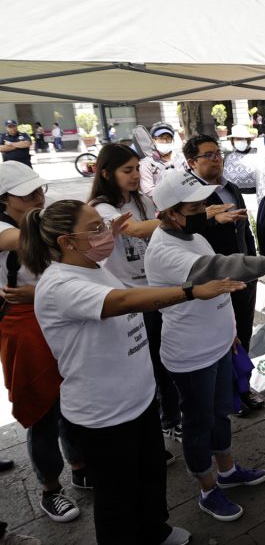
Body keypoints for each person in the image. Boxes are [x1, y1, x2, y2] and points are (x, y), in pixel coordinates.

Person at [23, 199, 229, 545]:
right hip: (104, 412)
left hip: (138, 398)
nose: (105, 232)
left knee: (150, 474)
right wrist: (190, 292)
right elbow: (120, 301)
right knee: (117, 496)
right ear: (66, 241)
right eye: (95, 228)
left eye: (104, 225)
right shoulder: (59, 285)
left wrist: (110, 234)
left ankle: (155, 530)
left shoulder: (91, 264)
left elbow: (106, 269)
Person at [146, 170, 265, 521]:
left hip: (219, 344)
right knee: (198, 423)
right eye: (194, 207)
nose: (203, 211)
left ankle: (226, 471)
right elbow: (223, 267)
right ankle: (207, 489)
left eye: (203, 204)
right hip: (191, 354)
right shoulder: (164, 250)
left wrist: (229, 333)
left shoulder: (192, 236)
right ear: (170, 213)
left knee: (221, 412)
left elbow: (219, 289)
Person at [0, 163, 85, 523]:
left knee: (73, 394)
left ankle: (80, 466)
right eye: (27, 194)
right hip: (23, 324)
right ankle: (51, 488)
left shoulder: (41, 220)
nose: (38, 197)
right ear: (4, 199)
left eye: (39, 190)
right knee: (42, 407)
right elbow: (19, 240)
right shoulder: (7, 228)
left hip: (56, 312)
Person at [88, 144, 182, 447]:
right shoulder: (100, 208)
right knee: (143, 365)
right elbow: (136, 230)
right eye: (126, 170)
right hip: (127, 298)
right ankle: (155, 427)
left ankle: (171, 420)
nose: (134, 175)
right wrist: (186, 217)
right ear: (106, 173)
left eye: (136, 169)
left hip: (155, 290)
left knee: (164, 360)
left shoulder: (142, 199)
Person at [183, 134, 265, 413]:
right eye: (207, 155)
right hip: (212, 278)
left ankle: (243, 388)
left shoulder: (230, 187)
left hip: (242, 273)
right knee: (222, 337)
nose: (216, 159)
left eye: (217, 153)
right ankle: (228, 395)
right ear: (191, 162)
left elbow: (244, 229)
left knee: (242, 332)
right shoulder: (187, 196)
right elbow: (182, 232)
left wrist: (252, 263)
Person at [223, 124, 265, 204]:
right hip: (236, 198)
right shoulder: (229, 158)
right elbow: (226, 180)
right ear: (232, 141)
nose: (240, 141)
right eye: (237, 139)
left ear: (247, 140)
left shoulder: (257, 156)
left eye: (243, 138)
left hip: (254, 197)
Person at [139, 122, 180, 198]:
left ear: (173, 140)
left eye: (168, 138)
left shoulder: (182, 159)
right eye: (161, 138)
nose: (165, 141)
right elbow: (148, 191)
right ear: (154, 140)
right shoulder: (146, 163)